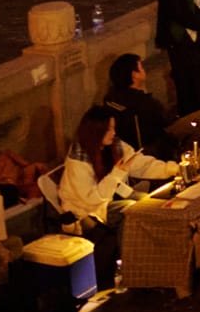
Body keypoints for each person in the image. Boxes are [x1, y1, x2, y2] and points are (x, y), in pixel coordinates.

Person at [57, 105, 177, 283]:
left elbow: (139, 164)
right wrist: (117, 174)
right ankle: (130, 269)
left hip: (110, 198)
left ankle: (157, 257)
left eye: (113, 127)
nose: (113, 133)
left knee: (148, 202)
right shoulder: (78, 159)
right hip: (85, 211)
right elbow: (92, 199)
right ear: (96, 131)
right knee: (129, 211)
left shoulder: (114, 145)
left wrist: (170, 169)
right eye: (108, 129)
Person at [103, 53, 200, 160]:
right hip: (155, 143)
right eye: (141, 67)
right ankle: (184, 157)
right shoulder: (143, 102)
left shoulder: (110, 98)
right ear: (134, 74)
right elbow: (164, 121)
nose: (144, 70)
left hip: (134, 146)